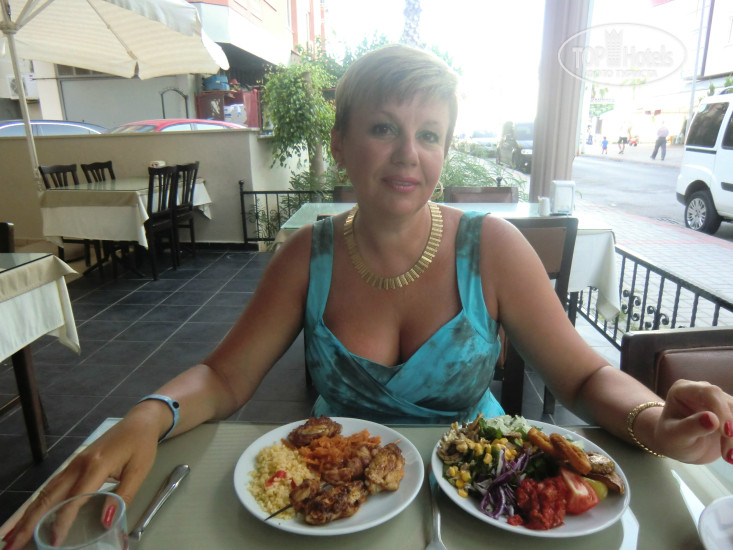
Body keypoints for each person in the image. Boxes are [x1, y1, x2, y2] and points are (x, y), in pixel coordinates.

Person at [4, 44, 733, 550]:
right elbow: (224, 378)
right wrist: (148, 413)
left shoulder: (494, 249)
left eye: (429, 134)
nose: (408, 153)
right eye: (384, 128)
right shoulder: (305, 256)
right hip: (336, 504)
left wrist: (653, 419)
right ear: (341, 143)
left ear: (444, 151)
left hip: (480, 500)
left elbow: (583, 376)